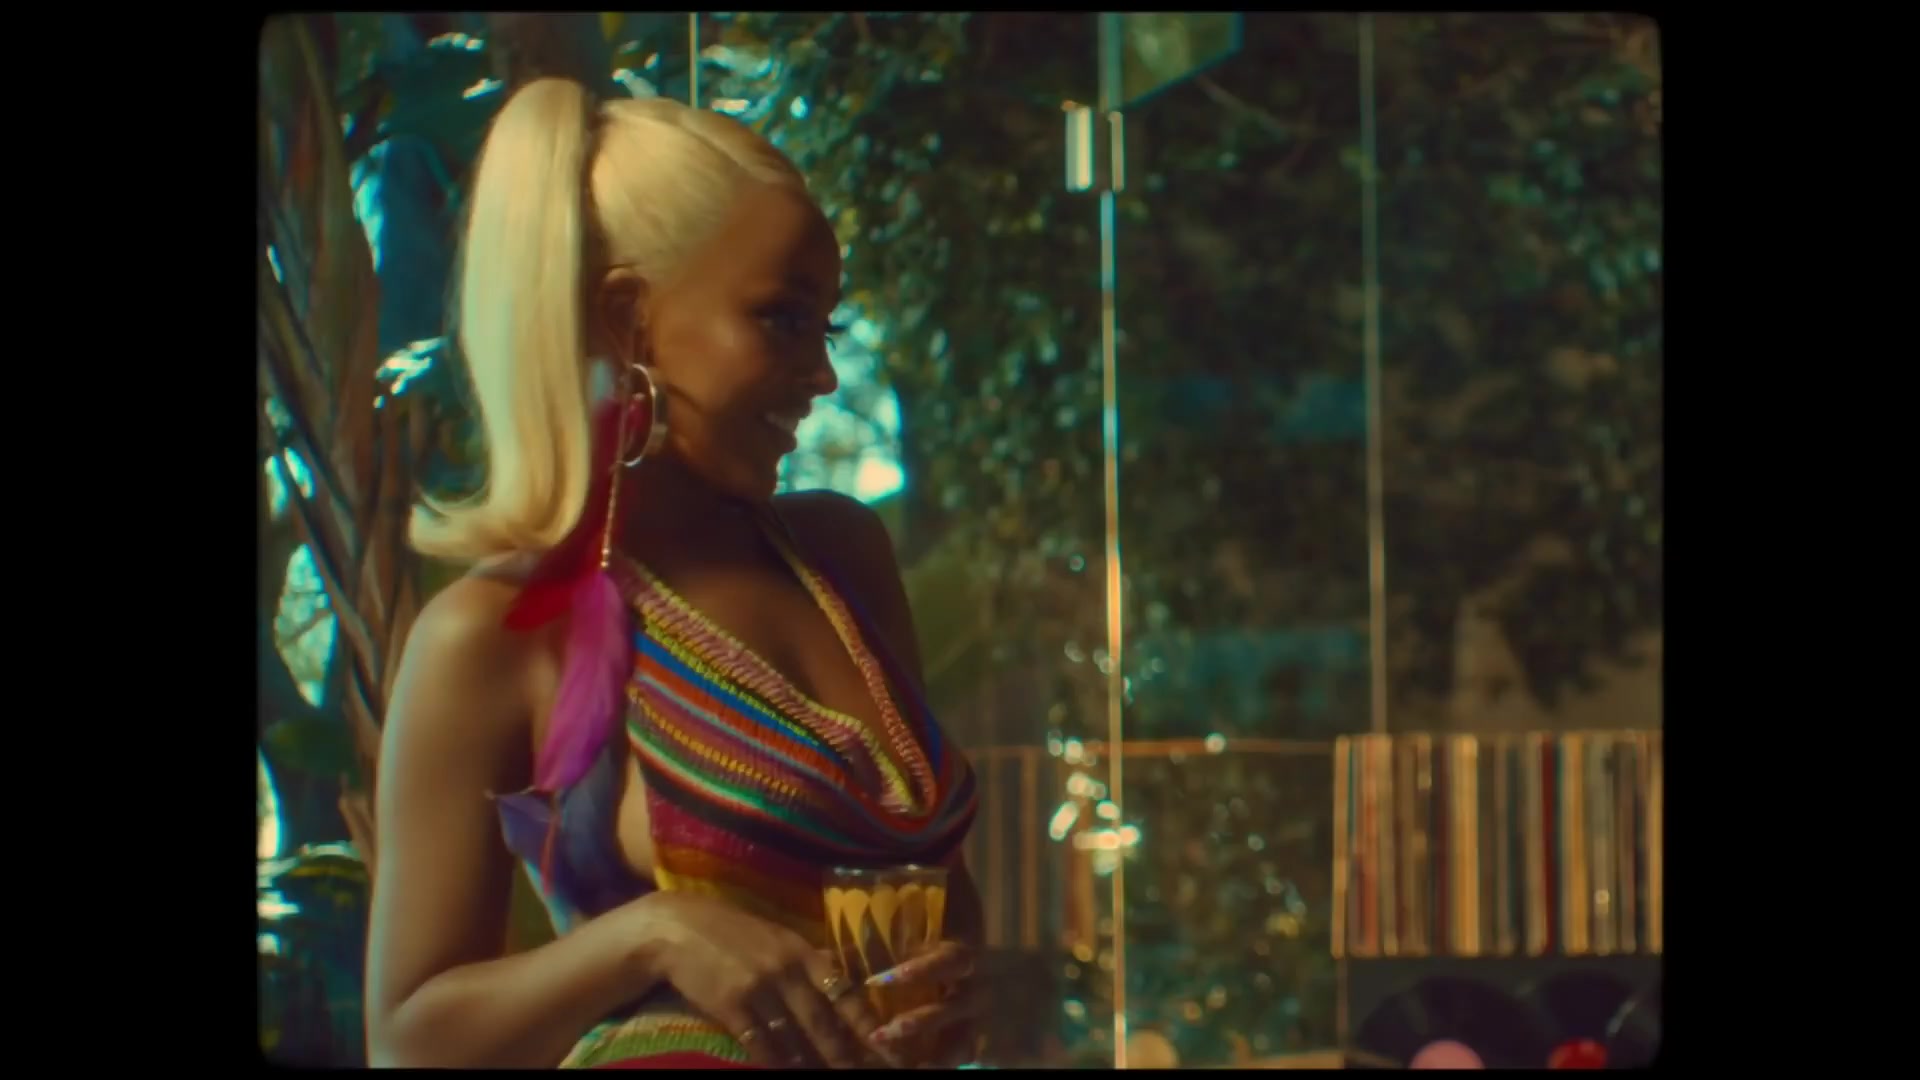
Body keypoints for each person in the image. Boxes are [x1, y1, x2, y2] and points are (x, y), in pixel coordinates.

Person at [363, 78, 984, 1070]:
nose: (824, 376)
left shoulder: (841, 556)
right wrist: (654, 933)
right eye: (781, 319)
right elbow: (408, 1038)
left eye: (825, 327)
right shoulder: (492, 635)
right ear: (628, 320)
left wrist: (952, 983)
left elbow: (942, 899)